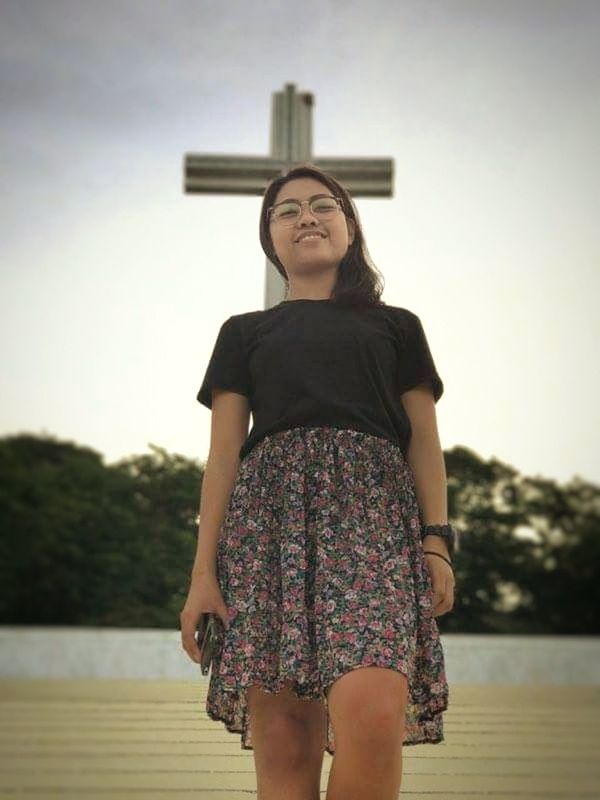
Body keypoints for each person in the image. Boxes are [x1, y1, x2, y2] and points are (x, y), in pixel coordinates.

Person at [180, 163, 456, 800]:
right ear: (270, 238)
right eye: (287, 210)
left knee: (376, 714)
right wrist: (203, 577)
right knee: (285, 747)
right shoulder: (244, 332)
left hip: (373, 528)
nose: (306, 216)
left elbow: (425, 441)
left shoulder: (397, 326)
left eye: (322, 205)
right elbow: (222, 460)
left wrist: (436, 538)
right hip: (267, 531)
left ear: (349, 226)